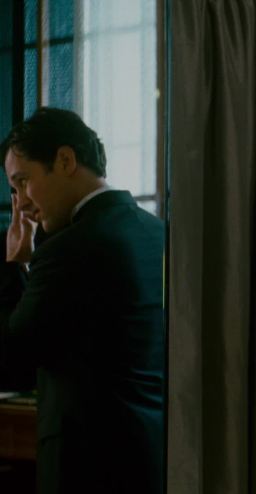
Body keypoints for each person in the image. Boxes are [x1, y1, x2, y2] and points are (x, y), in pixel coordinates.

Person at [0, 107, 165, 494]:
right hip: (153, 456)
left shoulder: (70, 248)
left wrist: (12, 268)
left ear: (65, 160)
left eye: (23, 181)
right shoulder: (158, 232)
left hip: (88, 466)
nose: (21, 204)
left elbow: (12, 361)